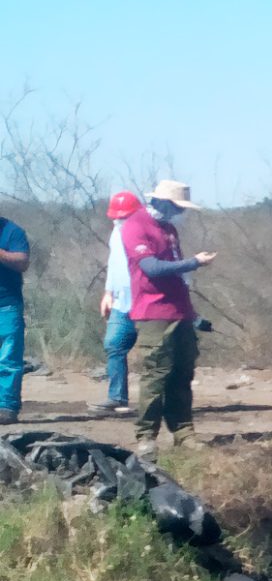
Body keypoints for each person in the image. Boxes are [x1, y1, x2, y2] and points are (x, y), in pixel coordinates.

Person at [121, 180, 215, 448]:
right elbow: (151, 267)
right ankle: (146, 437)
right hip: (154, 312)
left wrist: (193, 314)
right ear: (162, 202)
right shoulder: (136, 225)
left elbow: (178, 276)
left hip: (180, 310)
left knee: (182, 373)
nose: (180, 213)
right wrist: (194, 262)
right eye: (177, 206)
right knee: (156, 374)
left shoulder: (170, 229)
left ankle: (183, 432)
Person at [99, 190, 140, 414]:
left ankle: (165, 402)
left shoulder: (146, 231)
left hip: (146, 300)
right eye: (117, 216)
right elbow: (114, 265)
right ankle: (117, 397)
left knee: (158, 353)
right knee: (113, 345)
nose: (120, 219)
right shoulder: (116, 232)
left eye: (125, 215)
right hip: (121, 300)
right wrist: (108, 292)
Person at [0, 207, 27, 424]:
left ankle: (7, 408)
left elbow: (22, 261)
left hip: (7, 305)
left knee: (9, 359)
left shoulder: (13, 232)